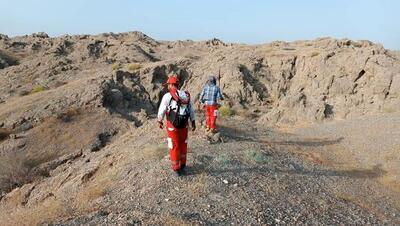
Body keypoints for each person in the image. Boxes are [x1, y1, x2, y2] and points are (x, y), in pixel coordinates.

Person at [157, 75, 196, 176]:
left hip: (172, 126)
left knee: (174, 145)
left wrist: (159, 120)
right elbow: (191, 110)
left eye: (168, 85)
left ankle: (176, 168)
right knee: (183, 144)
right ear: (178, 85)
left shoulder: (167, 96)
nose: (167, 87)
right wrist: (193, 121)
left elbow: (162, 109)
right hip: (184, 124)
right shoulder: (185, 95)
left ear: (170, 85)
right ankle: (183, 165)